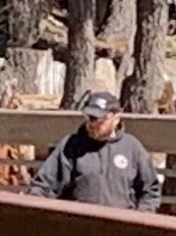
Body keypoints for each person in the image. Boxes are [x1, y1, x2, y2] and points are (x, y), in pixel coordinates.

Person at [28, 90, 162, 212]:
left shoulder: (132, 147)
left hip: (121, 224)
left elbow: (150, 190)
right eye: (89, 117)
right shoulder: (71, 145)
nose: (91, 124)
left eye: (97, 119)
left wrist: (141, 216)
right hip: (79, 223)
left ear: (115, 119)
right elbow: (43, 184)